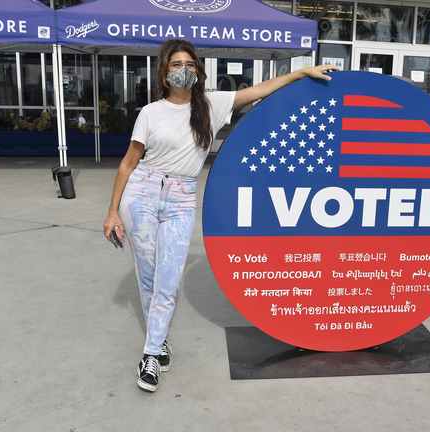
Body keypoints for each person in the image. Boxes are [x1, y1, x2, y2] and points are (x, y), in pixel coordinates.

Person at [103, 39, 338, 392]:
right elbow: (128, 162)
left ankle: (152, 348)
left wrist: (303, 71)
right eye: (176, 65)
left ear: (198, 69)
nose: (184, 70)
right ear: (164, 73)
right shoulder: (151, 112)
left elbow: (260, 89)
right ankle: (156, 349)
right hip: (142, 192)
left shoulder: (213, 104)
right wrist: (112, 213)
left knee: (169, 279)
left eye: (189, 64)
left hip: (181, 198)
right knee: (150, 278)